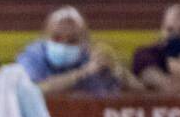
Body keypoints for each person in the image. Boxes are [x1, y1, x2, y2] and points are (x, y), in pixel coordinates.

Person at [18, 6, 148, 96]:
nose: (63, 44)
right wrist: (82, 73)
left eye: (72, 40)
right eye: (57, 38)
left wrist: (118, 70)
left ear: (84, 42)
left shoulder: (90, 56)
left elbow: (141, 93)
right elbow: (34, 91)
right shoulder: (32, 55)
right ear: (45, 36)